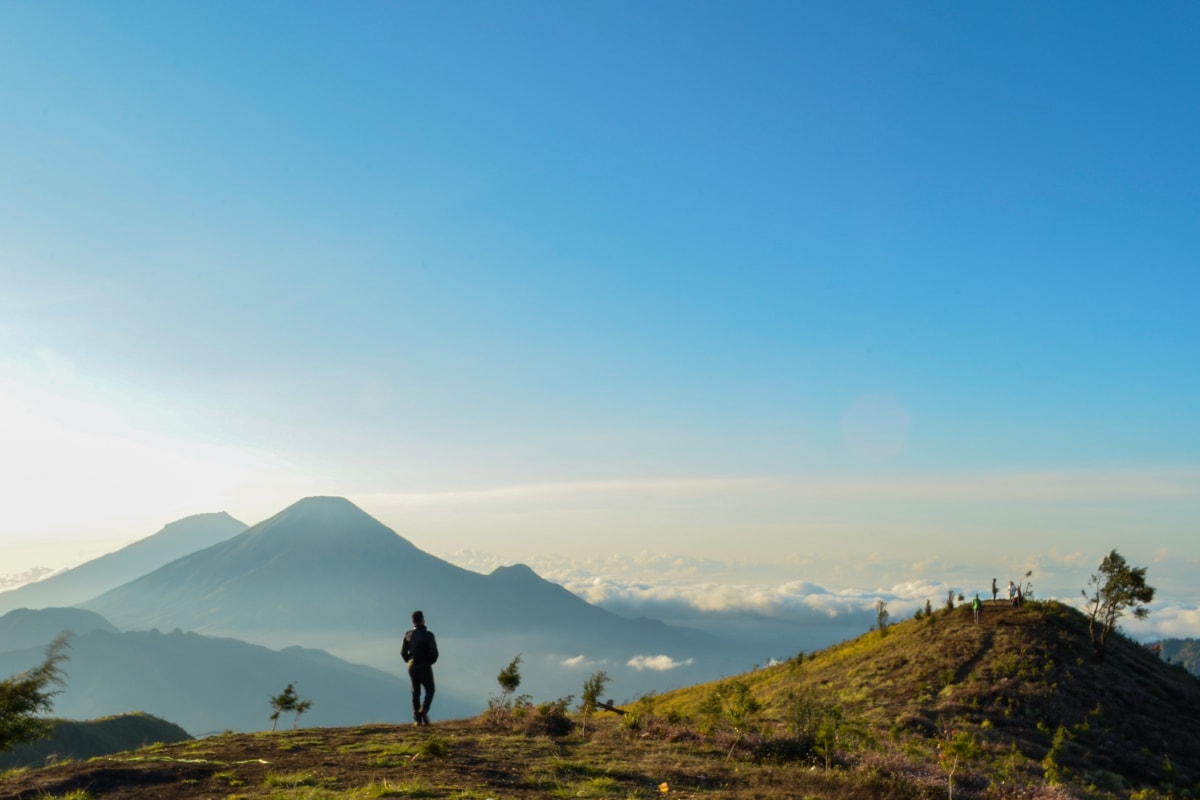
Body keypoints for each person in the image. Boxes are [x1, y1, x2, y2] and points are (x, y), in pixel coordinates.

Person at [401, 609, 439, 725]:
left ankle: (417, 720)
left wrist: (409, 660)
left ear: (412, 621)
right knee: (430, 689)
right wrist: (429, 661)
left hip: (412, 666)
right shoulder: (428, 635)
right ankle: (424, 710)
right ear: (422, 620)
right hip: (424, 665)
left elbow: (403, 652)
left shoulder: (408, 634)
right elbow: (434, 653)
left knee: (415, 692)